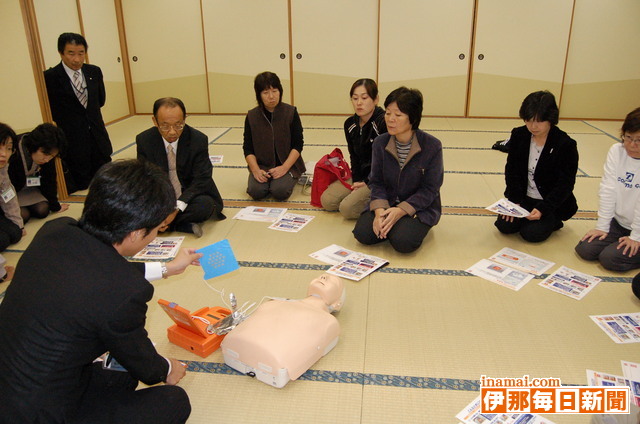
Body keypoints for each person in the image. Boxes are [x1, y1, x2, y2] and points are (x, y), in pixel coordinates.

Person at [0, 159, 198, 423]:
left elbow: (101, 275)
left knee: (122, 373)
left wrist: (168, 269)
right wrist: (168, 369)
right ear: (137, 233)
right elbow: (147, 366)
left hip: (19, 380)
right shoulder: (123, 294)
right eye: (156, 230)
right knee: (173, 401)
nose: (154, 237)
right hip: (39, 413)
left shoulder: (56, 231)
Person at [352, 87, 443, 253]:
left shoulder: (432, 145)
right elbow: (376, 181)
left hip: (418, 207)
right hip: (388, 201)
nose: (390, 119)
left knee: (403, 242)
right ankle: (392, 224)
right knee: (363, 234)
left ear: (413, 118)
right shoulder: (380, 143)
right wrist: (380, 212)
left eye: (398, 115)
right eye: (387, 113)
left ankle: (402, 225)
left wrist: (401, 211)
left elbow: (430, 189)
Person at [495, 91, 579, 242]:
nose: (533, 126)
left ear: (551, 120)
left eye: (539, 121)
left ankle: (553, 220)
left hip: (548, 201)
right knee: (504, 226)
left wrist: (543, 209)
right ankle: (529, 217)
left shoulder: (565, 144)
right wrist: (514, 201)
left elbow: (565, 184)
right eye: (528, 120)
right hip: (524, 198)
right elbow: (511, 170)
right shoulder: (519, 135)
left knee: (532, 234)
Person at [137, 97, 224, 237]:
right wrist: (161, 207)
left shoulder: (198, 140)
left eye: (178, 125)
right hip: (161, 195)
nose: (172, 132)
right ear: (155, 121)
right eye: (165, 126)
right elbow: (145, 178)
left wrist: (176, 208)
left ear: (185, 119)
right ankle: (180, 225)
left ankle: (162, 224)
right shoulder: (144, 140)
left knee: (205, 205)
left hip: (188, 196)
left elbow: (202, 179)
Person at [44, 32, 112, 192]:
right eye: (71, 53)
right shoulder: (50, 77)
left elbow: (100, 100)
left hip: (97, 135)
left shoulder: (94, 72)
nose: (77, 59)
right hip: (72, 139)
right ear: (61, 53)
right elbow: (51, 109)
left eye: (81, 53)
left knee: (106, 181)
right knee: (82, 184)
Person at [576, 107, 640, 271]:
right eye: (628, 138)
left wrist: (636, 237)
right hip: (619, 223)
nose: (632, 145)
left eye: (639, 140)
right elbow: (608, 190)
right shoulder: (616, 151)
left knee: (609, 259)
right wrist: (602, 226)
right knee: (586, 249)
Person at [320, 78, 387, 219]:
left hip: (378, 179)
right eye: (355, 98)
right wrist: (356, 181)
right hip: (359, 174)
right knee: (327, 201)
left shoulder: (383, 122)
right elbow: (353, 156)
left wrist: (367, 183)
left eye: (364, 97)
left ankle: (382, 202)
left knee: (346, 209)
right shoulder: (350, 124)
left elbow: (385, 162)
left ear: (376, 99)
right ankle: (360, 198)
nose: (359, 103)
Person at [243, 71, 305, 200]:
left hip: (287, 164)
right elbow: (248, 148)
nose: (271, 96)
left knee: (279, 191)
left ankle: (290, 177)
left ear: (280, 91)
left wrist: (284, 168)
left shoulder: (291, 112)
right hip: (262, 166)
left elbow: (298, 144)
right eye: (265, 93)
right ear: (259, 95)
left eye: (275, 91)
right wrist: (255, 170)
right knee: (256, 192)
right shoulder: (252, 116)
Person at [9, 123, 69, 223]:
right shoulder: (14, 150)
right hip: (12, 191)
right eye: (45, 154)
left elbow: (49, 180)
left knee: (43, 210)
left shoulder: (48, 153)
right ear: (35, 145)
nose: (47, 160)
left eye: (52, 156)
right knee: (23, 215)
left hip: (30, 188)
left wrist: (56, 206)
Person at [0, 123, 24, 253]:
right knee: (2, 240)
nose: (4, 154)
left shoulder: (3, 168)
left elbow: (8, 197)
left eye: (9, 148)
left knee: (16, 233)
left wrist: (18, 225)